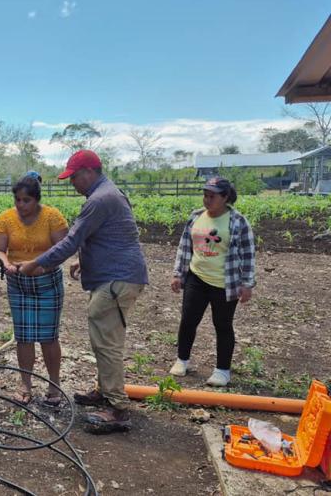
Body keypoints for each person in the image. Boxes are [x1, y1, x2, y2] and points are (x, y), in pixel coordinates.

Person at [18, 150, 148, 433]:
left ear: (89, 171)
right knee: (102, 338)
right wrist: (84, 260)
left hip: (117, 279)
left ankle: (117, 409)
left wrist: (35, 264)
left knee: (107, 342)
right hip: (116, 276)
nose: (72, 183)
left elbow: (71, 241)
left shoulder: (100, 200)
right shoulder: (108, 194)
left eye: (74, 177)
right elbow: (110, 237)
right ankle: (105, 391)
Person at [169, 177, 255, 387]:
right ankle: (182, 360)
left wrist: (247, 283)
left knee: (223, 325)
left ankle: (222, 370)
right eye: (205, 195)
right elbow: (184, 246)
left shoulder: (237, 221)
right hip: (196, 278)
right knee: (188, 320)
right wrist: (178, 273)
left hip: (225, 283)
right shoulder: (196, 216)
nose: (207, 200)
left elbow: (248, 253)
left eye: (212, 196)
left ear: (225, 197)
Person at [0, 177, 69, 407]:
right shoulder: (6, 219)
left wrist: (40, 265)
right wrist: (5, 262)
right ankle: (25, 384)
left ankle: (53, 386)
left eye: (26, 200)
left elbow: (62, 249)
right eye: (17, 200)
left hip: (47, 283)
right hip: (19, 283)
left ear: (37, 200)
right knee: (23, 336)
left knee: (48, 336)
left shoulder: (52, 217)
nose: (21, 205)